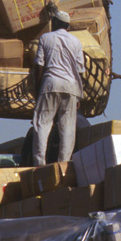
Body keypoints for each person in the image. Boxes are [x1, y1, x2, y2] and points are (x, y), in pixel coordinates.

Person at [32, 10, 86, 165]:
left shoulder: (45, 38)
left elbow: (39, 66)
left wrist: (38, 89)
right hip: (71, 87)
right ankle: (64, 164)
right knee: (68, 127)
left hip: (51, 83)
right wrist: (78, 95)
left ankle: (39, 164)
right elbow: (80, 71)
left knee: (42, 123)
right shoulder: (76, 42)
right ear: (67, 26)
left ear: (54, 23)